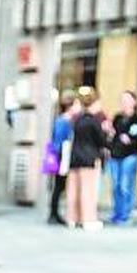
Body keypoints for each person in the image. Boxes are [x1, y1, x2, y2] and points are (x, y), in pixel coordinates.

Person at [65, 89, 110, 231]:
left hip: (75, 158)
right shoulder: (93, 121)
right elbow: (101, 140)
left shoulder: (77, 120)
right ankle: (88, 220)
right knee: (88, 190)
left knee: (74, 190)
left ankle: (72, 218)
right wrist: (106, 132)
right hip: (89, 158)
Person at [106, 91, 137, 225]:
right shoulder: (117, 117)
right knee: (116, 185)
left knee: (125, 185)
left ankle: (125, 214)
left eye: (127, 100)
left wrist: (132, 139)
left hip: (129, 156)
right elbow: (112, 135)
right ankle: (117, 212)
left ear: (134, 102)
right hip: (115, 155)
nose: (124, 103)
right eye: (122, 100)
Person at [47, 92, 78, 225]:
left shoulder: (66, 120)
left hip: (62, 154)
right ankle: (53, 213)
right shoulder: (63, 121)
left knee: (59, 186)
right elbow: (59, 141)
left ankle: (54, 213)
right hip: (61, 156)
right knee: (59, 186)